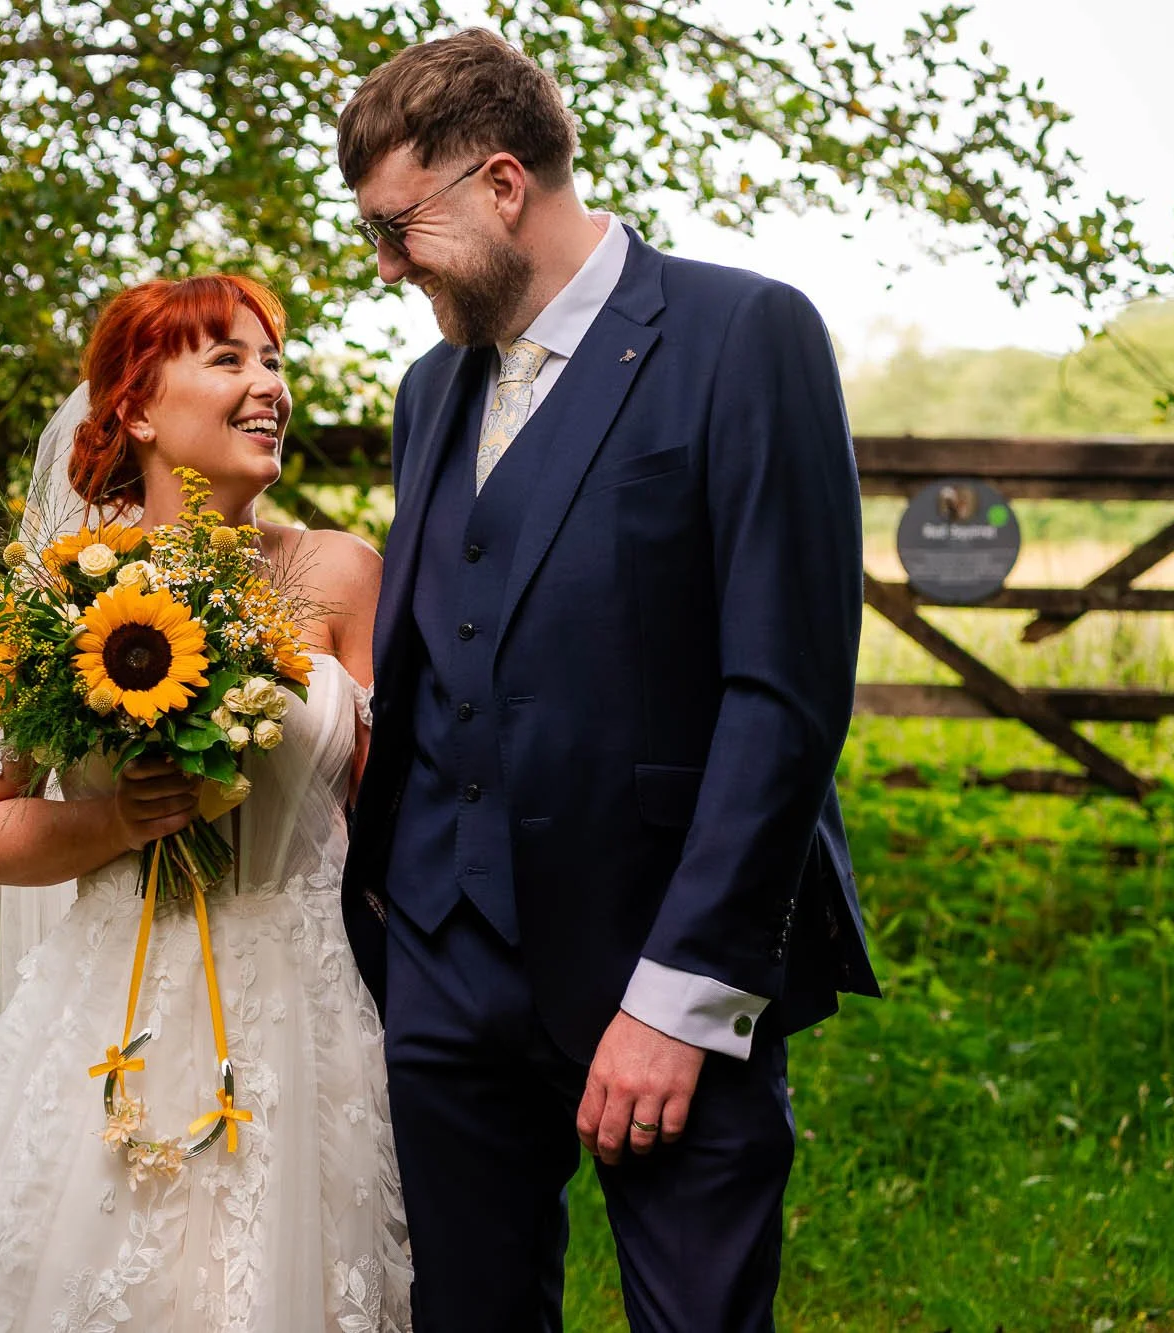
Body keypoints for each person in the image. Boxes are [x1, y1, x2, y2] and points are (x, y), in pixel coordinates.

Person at [334, 29, 881, 1333]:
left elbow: (784, 697)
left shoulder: (744, 334)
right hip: (441, 966)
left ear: (503, 184)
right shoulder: (431, 389)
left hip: (659, 959)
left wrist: (683, 997)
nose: (386, 263)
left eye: (399, 227)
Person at [0, 274, 410, 1332]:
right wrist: (116, 820)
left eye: (272, 361)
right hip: (107, 1010)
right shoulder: (60, 596)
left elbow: (398, 807)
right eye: (228, 360)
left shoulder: (343, 573)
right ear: (132, 407)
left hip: (307, 1010)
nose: (267, 386)